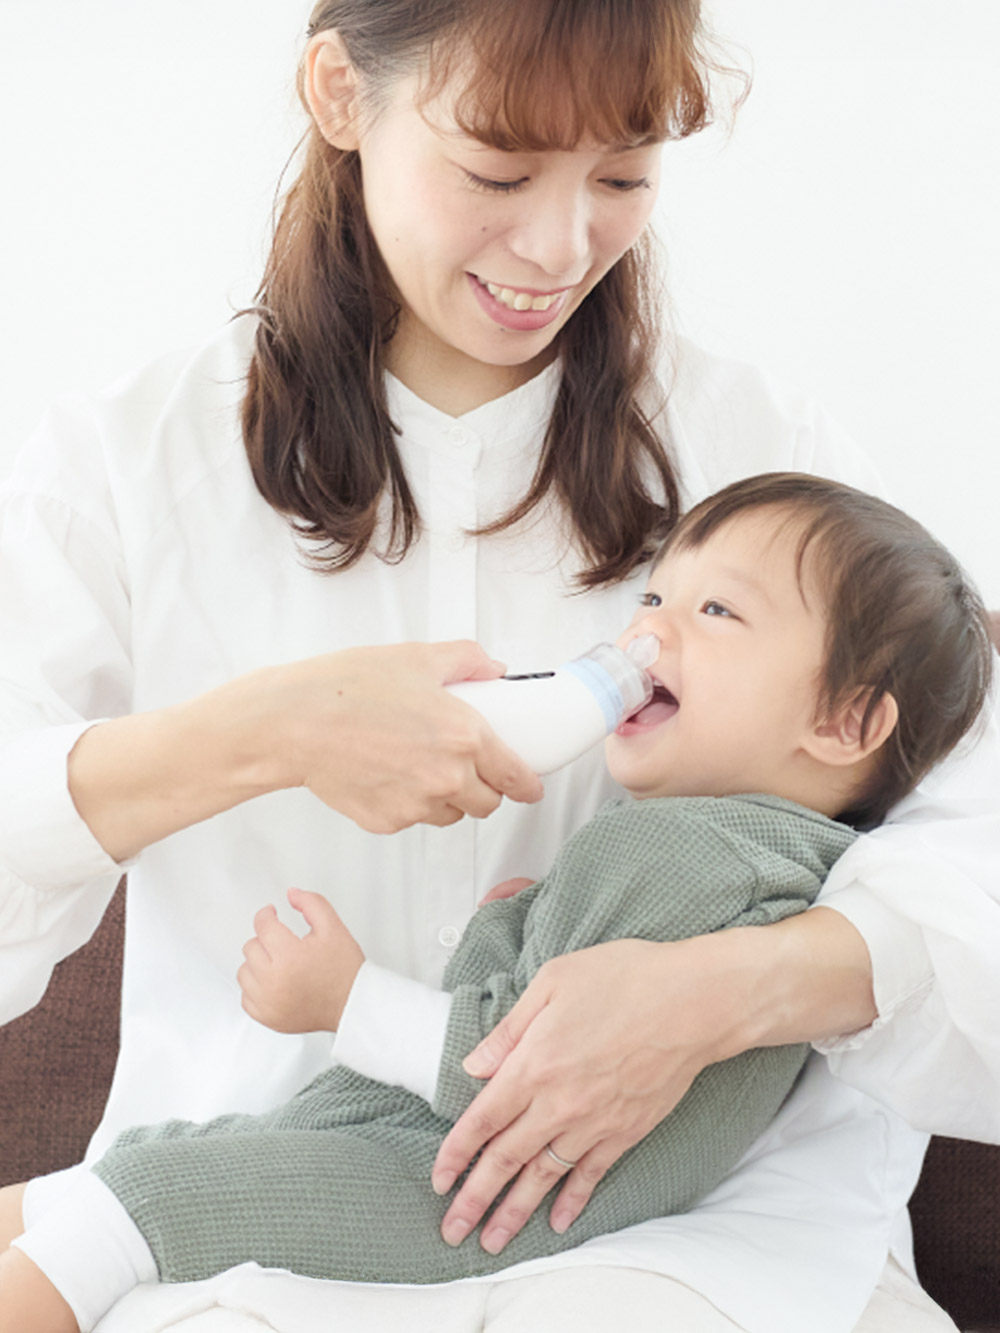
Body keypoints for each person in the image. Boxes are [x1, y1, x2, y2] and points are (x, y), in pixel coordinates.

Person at [0, 2, 997, 1331]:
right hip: (257, 1225)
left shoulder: (768, 465)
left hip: (708, 1246)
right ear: (340, 95)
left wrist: (714, 994)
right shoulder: (131, 465)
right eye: (499, 171)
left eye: (626, 177)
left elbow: (973, 836)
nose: (562, 244)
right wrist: (263, 732)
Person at [2, 473, 993, 1333]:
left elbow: (510, 1082)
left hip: (486, 1197)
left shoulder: (695, 860)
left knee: (140, 1201)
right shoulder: (738, 854)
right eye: (653, 594)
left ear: (847, 719)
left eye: (715, 614)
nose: (647, 630)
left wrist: (344, 999)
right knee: (149, 1164)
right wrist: (513, 923)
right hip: (470, 1166)